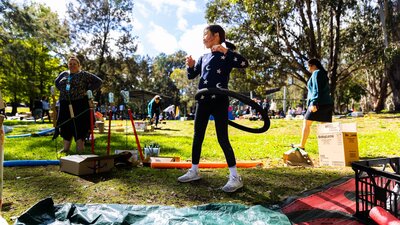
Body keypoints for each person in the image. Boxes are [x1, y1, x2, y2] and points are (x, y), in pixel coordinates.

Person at [177, 24, 249, 193]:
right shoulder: (203, 57)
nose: (203, 38)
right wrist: (190, 64)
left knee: (222, 137)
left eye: (205, 34)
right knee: (197, 135)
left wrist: (225, 51)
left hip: (220, 100)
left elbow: (244, 63)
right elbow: (191, 75)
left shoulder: (226, 56)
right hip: (203, 100)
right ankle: (194, 170)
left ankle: (234, 177)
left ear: (216, 35)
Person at [54, 55, 102, 154]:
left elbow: (98, 81)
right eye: (70, 64)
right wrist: (62, 90)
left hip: (79, 103)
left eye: (74, 64)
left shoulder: (84, 74)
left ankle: (80, 148)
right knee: (66, 125)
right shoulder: (64, 74)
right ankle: (66, 148)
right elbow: (56, 82)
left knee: (80, 125)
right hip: (64, 103)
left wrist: (88, 90)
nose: (72, 65)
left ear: (79, 65)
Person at [293, 58, 333, 150]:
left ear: (313, 65)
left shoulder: (316, 73)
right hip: (327, 103)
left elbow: (316, 89)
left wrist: (314, 102)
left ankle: (302, 145)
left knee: (306, 123)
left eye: (309, 66)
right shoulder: (323, 73)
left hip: (318, 103)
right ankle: (328, 148)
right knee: (325, 126)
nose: (309, 69)